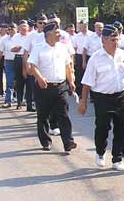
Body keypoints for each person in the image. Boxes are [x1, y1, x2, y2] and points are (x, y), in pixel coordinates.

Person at [78, 24, 124, 171]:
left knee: (121, 127)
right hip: (102, 97)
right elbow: (86, 83)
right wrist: (83, 102)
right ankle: (100, 152)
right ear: (103, 40)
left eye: (117, 39)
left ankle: (118, 158)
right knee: (103, 127)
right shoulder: (96, 58)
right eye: (112, 40)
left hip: (122, 94)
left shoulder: (122, 54)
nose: (116, 43)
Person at [27, 22, 77, 152]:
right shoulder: (38, 48)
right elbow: (32, 65)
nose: (59, 34)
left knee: (64, 114)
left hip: (61, 86)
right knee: (43, 114)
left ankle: (68, 141)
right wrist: (39, 78)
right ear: (49, 34)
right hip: (43, 87)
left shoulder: (62, 47)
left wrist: (71, 81)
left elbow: (68, 66)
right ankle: (45, 141)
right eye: (56, 32)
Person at [23, 14, 49, 113]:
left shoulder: (49, 34)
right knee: (33, 87)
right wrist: (26, 67)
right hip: (33, 64)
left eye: (44, 23)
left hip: (45, 65)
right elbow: (25, 52)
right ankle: (33, 105)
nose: (42, 25)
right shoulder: (31, 35)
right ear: (36, 24)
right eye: (40, 23)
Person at [0, 23, 17, 108]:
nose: (11, 30)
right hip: (9, 62)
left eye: (13, 28)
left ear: (16, 29)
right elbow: (0, 52)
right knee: (9, 81)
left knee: (19, 82)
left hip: (19, 61)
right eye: (10, 28)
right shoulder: (5, 39)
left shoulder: (20, 38)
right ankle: (8, 100)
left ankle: (21, 100)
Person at [10, 20, 30, 110]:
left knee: (29, 82)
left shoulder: (31, 36)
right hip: (18, 59)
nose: (24, 29)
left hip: (30, 59)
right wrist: (22, 46)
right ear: (19, 28)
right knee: (19, 81)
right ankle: (19, 101)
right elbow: (13, 49)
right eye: (22, 27)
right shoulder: (16, 37)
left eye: (25, 27)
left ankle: (29, 103)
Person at [73, 21, 93, 96]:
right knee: (79, 75)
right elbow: (75, 47)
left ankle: (91, 94)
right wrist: (74, 59)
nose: (80, 28)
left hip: (88, 56)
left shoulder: (92, 35)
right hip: (79, 56)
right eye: (80, 26)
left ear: (86, 26)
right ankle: (79, 93)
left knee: (90, 74)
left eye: (82, 26)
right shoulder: (77, 36)